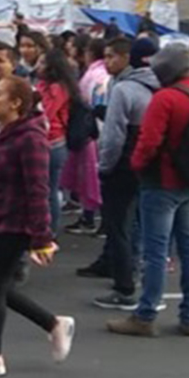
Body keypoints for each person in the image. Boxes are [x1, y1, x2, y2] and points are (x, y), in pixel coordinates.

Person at [0, 76, 75, 377]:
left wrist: (42, 238)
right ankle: (54, 324)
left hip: (16, 224)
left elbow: (38, 190)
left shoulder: (31, 139)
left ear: (16, 103)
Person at [107, 46, 189, 338]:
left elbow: (148, 142)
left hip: (162, 183)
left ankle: (146, 314)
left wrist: (137, 166)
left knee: (155, 251)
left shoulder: (166, 98)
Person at [87, 37, 159, 311]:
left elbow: (113, 135)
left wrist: (104, 166)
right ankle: (140, 276)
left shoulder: (124, 89)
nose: (106, 62)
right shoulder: (159, 84)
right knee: (144, 224)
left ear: (127, 58)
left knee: (118, 225)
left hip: (124, 162)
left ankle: (124, 287)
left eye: (111, 56)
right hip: (150, 161)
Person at [64, 37, 108, 235]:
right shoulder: (104, 73)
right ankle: (93, 217)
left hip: (91, 130)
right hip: (100, 128)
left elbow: (87, 100)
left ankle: (91, 217)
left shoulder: (93, 74)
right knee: (95, 176)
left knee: (91, 176)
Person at [36, 47, 78, 238]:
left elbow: (46, 113)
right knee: (49, 189)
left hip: (51, 142)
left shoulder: (56, 88)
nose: (39, 65)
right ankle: (48, 229)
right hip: (54, 141)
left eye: (43, 62)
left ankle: (49, 230)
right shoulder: (52, 85)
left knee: (48, 190)